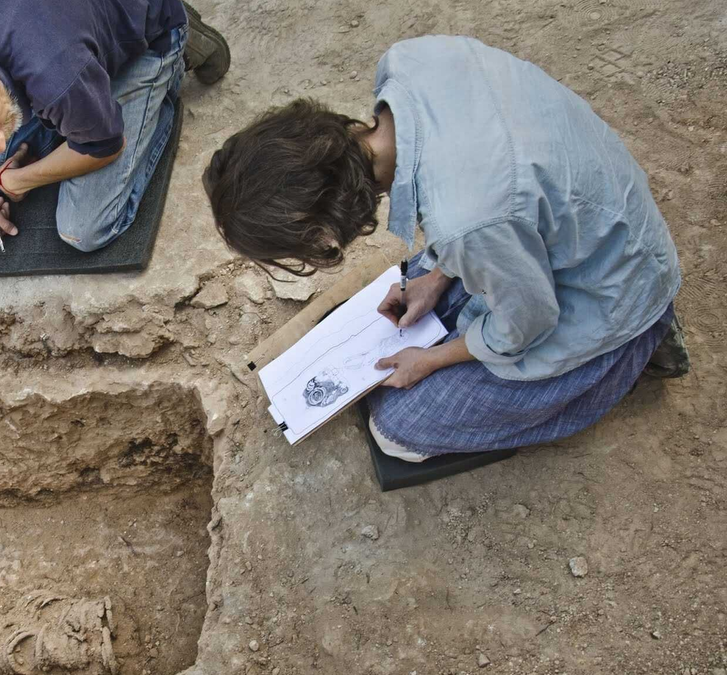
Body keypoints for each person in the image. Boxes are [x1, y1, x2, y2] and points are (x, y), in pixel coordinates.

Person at [202, 36, 689, 462]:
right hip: (568, 217)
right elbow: (478, 202)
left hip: (614, 284)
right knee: (424, 291)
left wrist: (431, 360)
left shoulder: (467, 223)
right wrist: (435, 278)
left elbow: (530, 322)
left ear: (325, 220)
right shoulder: (406, 63)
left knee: (398, 427)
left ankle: (628, 353)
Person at [0, 0, 230, 252]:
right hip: (68, 45)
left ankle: (169, 60)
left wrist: (21, 179)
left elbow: (105, 146)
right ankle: (80, 108)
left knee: (85, 230)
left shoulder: (54, 69)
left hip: (140, 34)